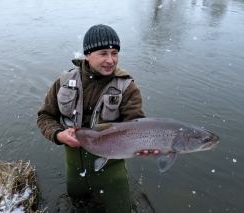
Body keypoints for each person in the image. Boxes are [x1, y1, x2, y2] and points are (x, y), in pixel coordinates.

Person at [37, 24, 159, 212]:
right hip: (74, 165)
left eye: (114, 53)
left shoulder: (127, 88)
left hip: (111, 167)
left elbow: (137, 125)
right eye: (103, 53)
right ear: (87, 55)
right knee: (77, 204)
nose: (110, 60)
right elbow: (45, 116)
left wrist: (144, 144)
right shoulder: (63, 82)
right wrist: (58, 135)